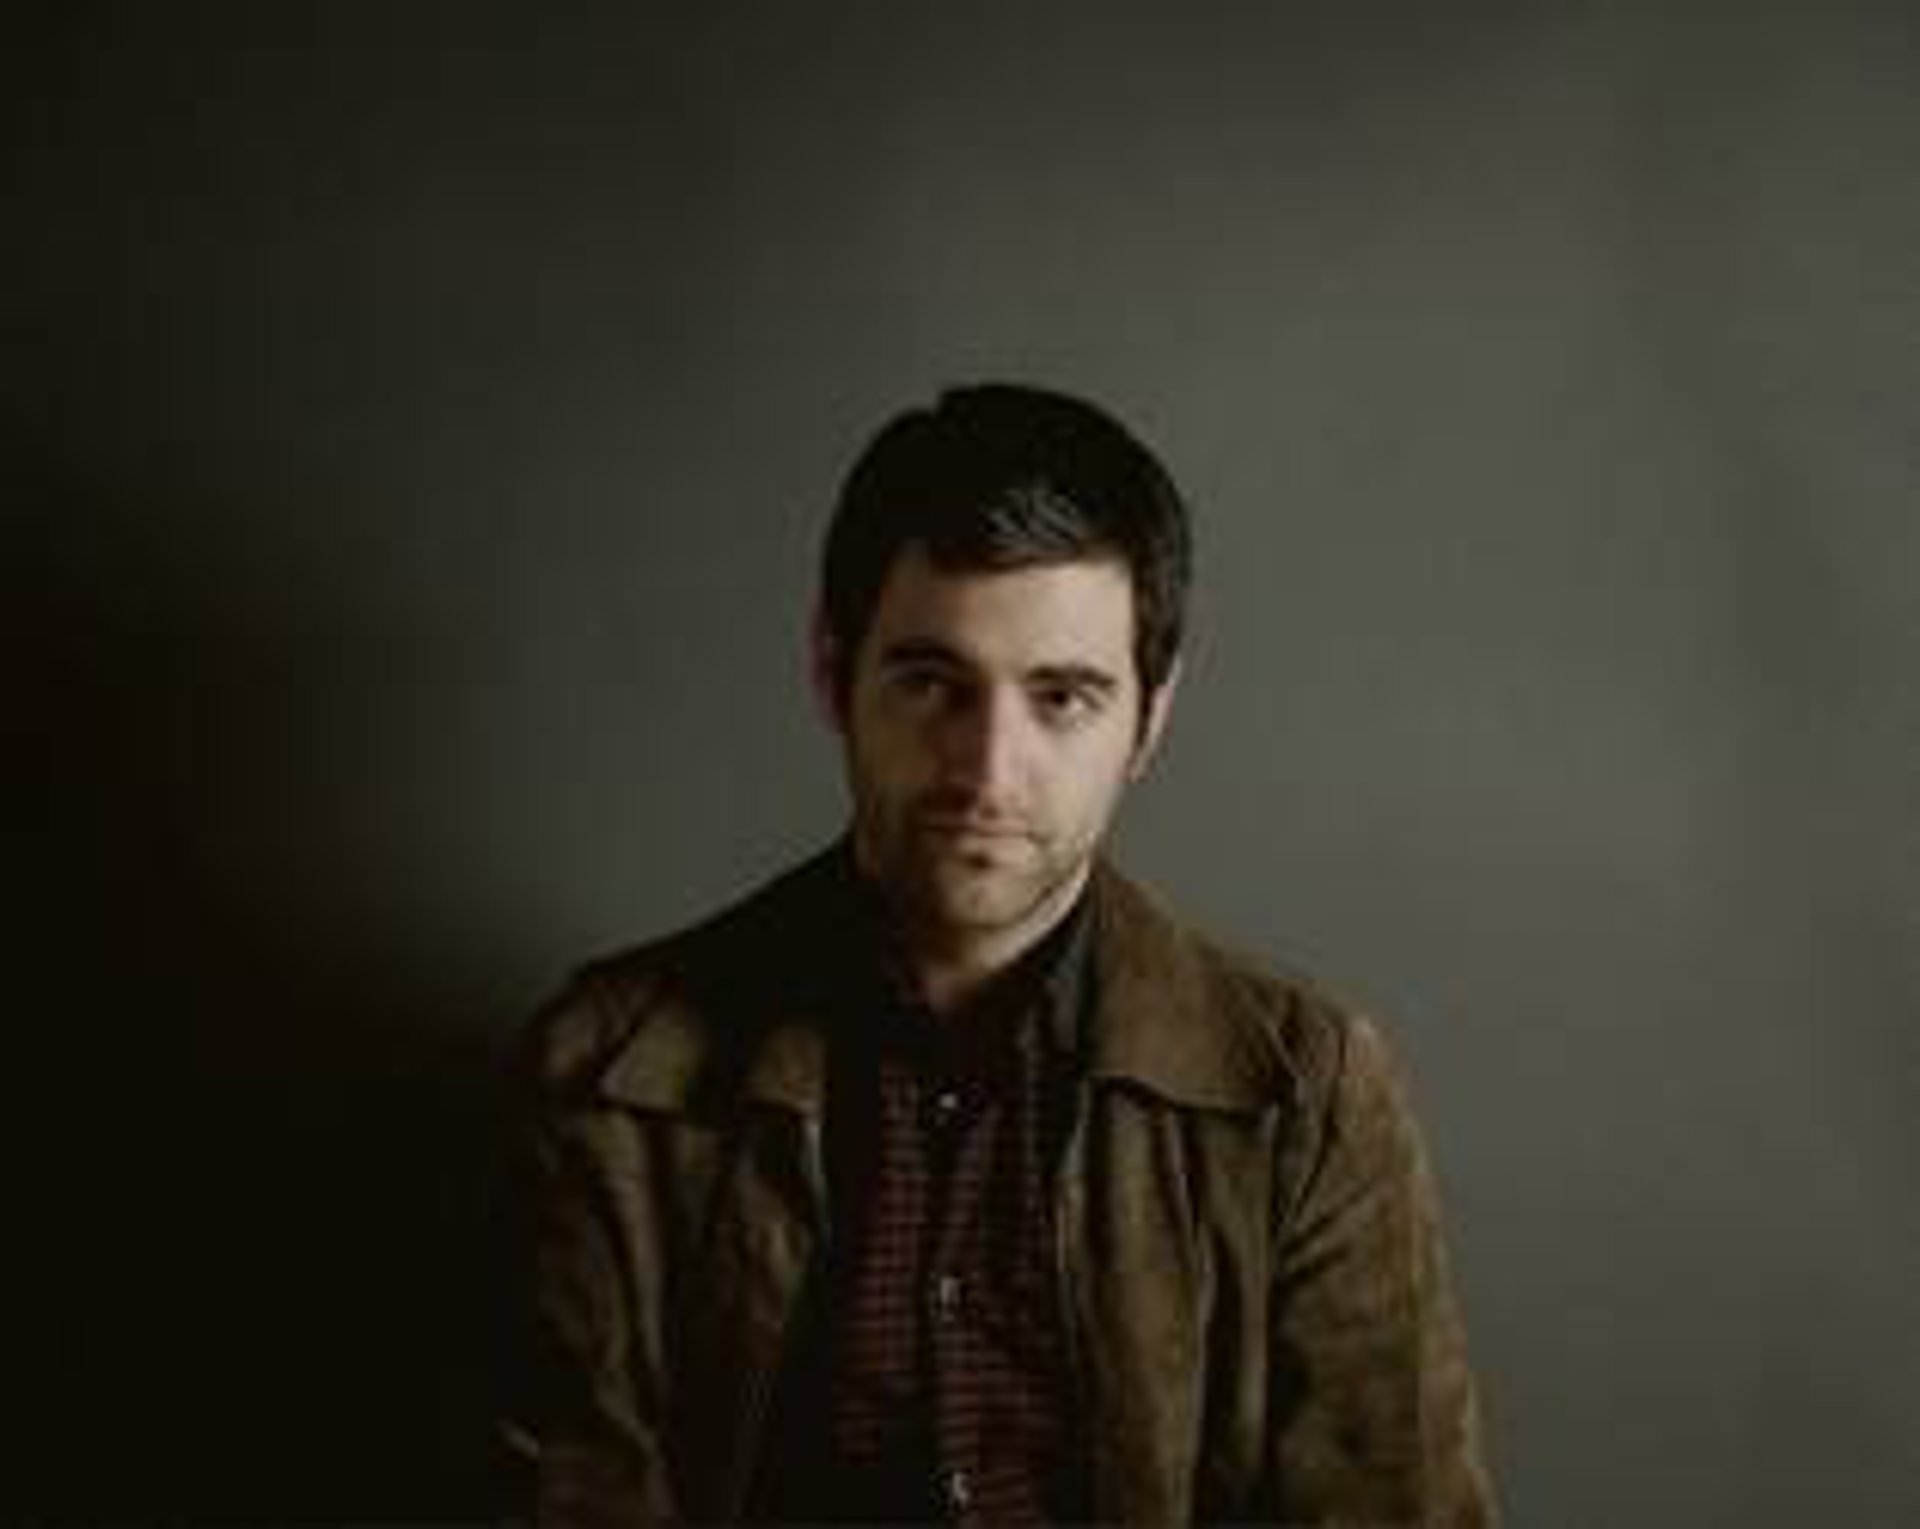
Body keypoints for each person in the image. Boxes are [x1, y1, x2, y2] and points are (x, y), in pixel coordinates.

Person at [497, 383, 1496, 1525]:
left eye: (1062, 697)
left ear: (1150, 718)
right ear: (832, 671)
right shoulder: (607, 1077)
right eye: (932, 684)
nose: (986, 771)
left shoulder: (1305, 1097)